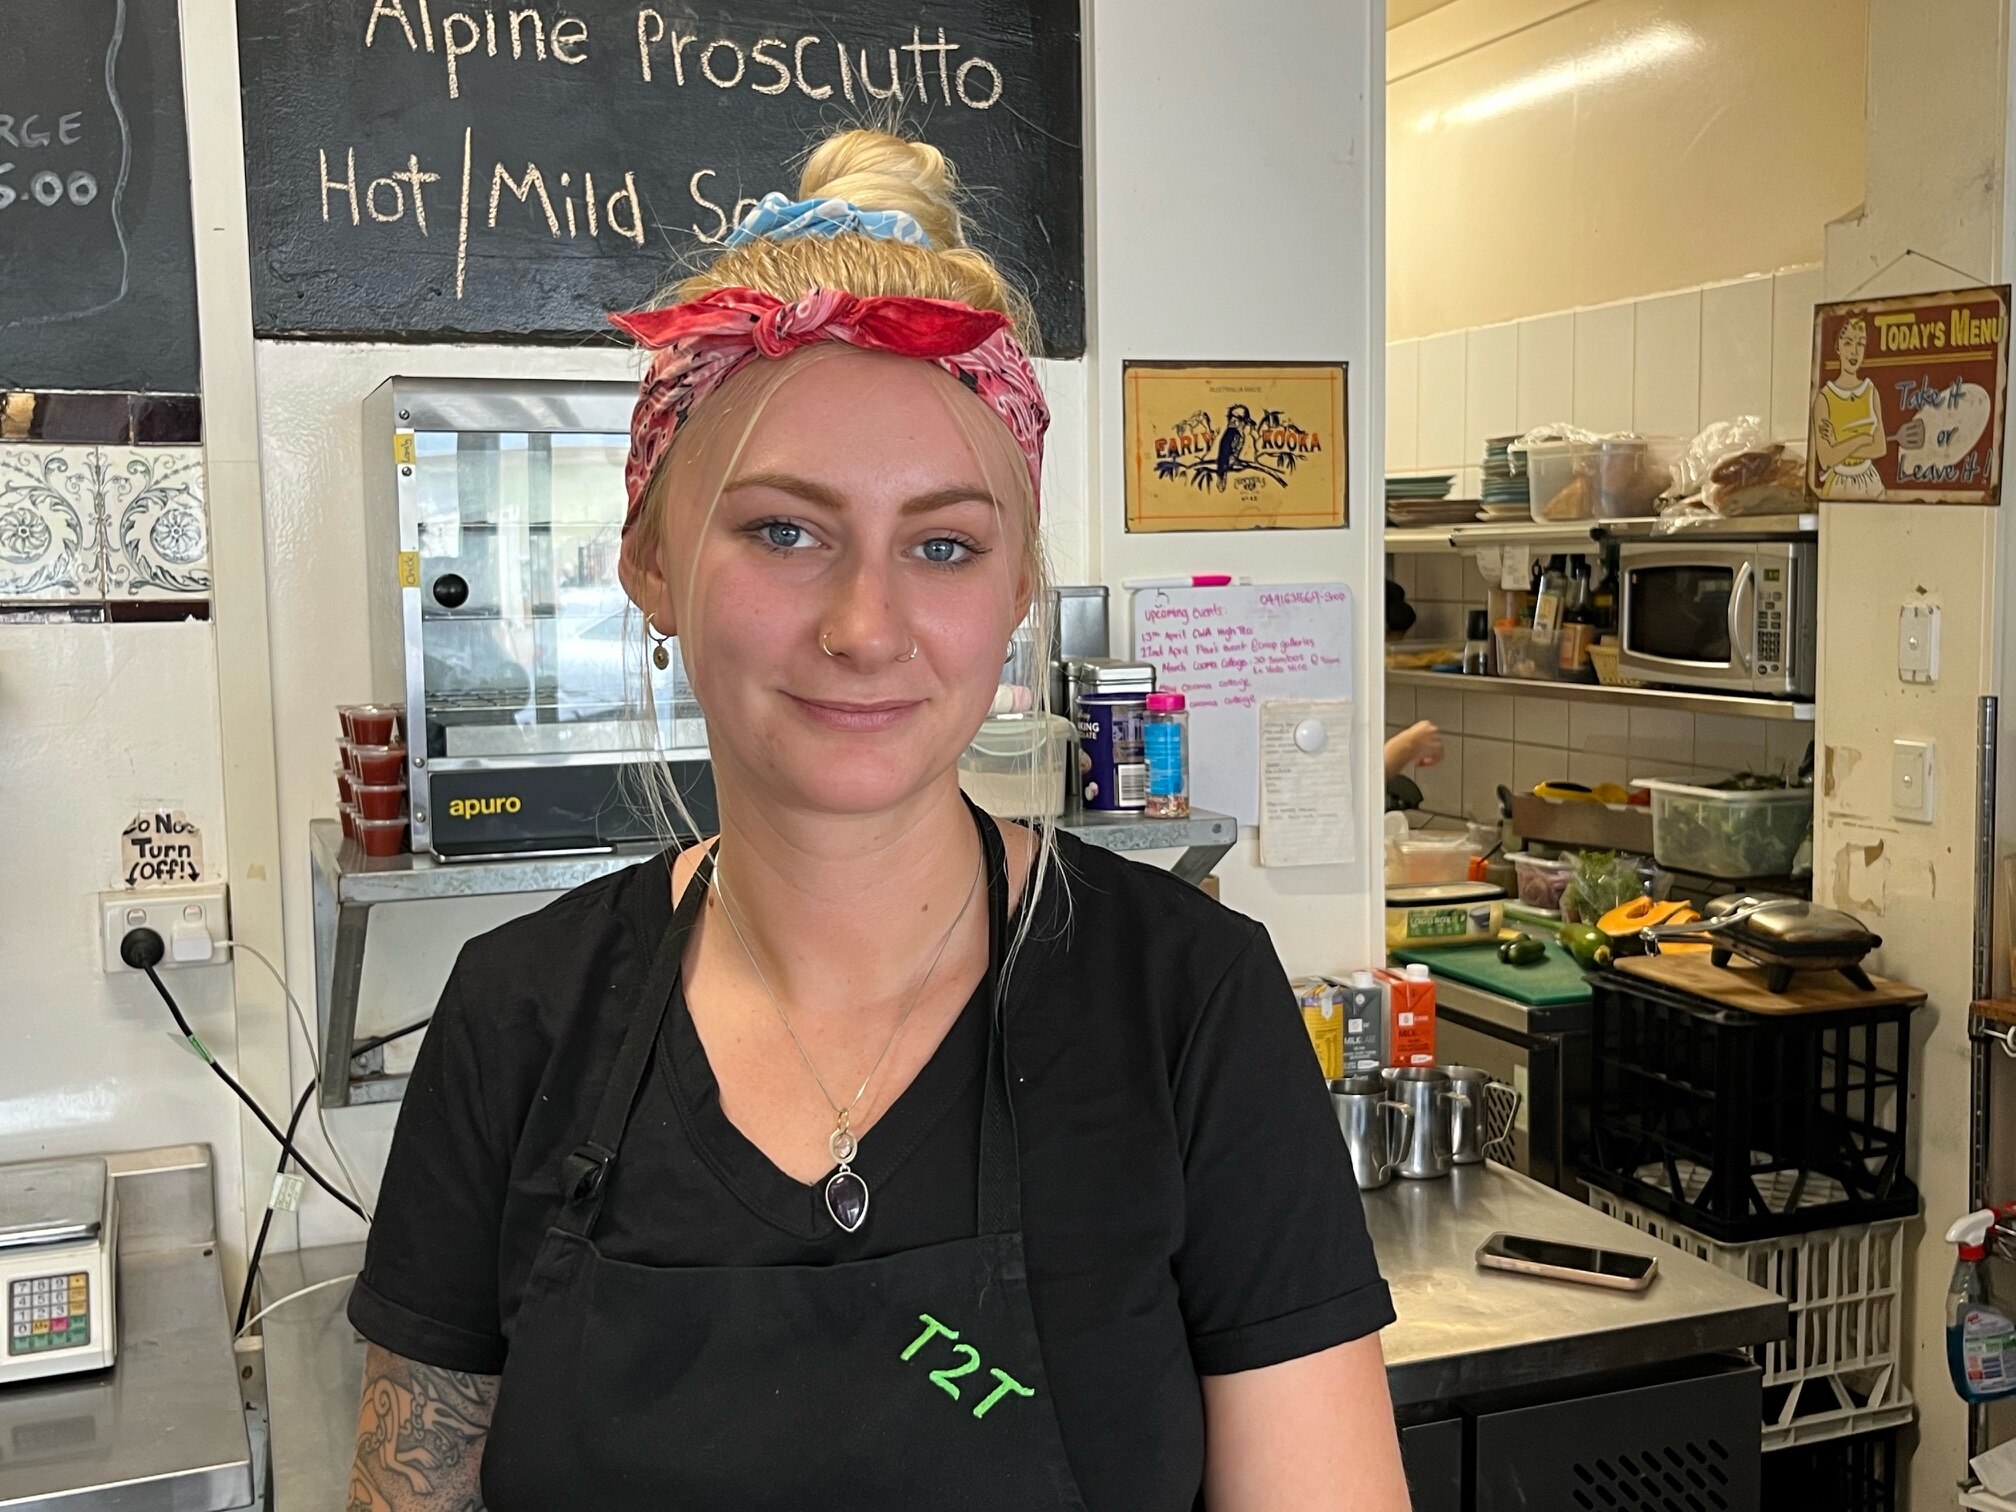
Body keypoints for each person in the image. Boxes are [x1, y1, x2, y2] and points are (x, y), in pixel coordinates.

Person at [344, 129, 1409, 1512]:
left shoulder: (1187, 1003)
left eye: (945, 545)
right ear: (653, 563)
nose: (864, 626)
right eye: (785, 531)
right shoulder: (520, 1016)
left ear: (1017, 587)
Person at [1812, 315, 1924, 498]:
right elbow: (1826, 459)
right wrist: (1863, 438)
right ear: (1837, 347)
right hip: (1839, 486)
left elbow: (1880, 448)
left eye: (1860, 344)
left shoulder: (1871, 392)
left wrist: (1839, 444)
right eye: (1848, 343)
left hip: (1871, 482)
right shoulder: (1824, 400)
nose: (1854, 352)